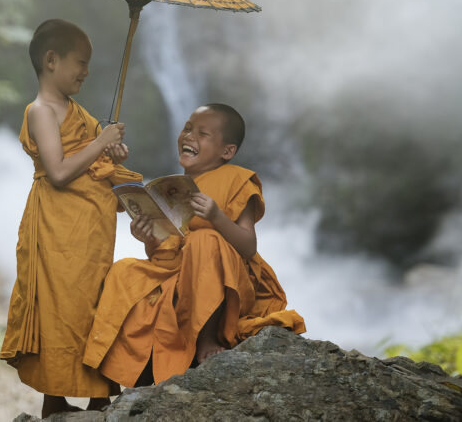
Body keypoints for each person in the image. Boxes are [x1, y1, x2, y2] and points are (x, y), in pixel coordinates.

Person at [83, 104, 305, 387]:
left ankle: (206, 337)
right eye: (187, 128)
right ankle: (120, 372)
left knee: (205, 239)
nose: (189, 136)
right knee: (126, 271)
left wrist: (217, 217)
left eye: (202, 133)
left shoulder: (237, 180)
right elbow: (169, 253)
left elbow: (248, 246)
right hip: (182, 276)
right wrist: (149, 237)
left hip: (228, 284)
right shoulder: (177, 187)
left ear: (227, 151)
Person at [0, 19, 141, 417]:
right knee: (61, 306)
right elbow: (59, 172)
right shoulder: (41, 111)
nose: (86, 71)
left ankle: (99, 393)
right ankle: (54, 399)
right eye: (80, 62)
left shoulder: (78, 111)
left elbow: (96, 155)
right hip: (58, 226)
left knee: (93, 302)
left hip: (92, 228)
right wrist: (100, 142)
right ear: (50, 60)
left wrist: (113, 151)